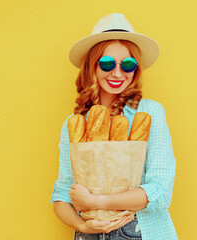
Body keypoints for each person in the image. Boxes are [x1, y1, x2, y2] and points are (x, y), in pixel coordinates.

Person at [51, 13, 178, 240]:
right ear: (92, 66)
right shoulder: (75, 123)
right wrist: (83, 226)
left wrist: (97, 202)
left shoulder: (148, 113)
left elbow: (159, 191)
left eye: (127, 65)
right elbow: (61, 196)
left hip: (139, 231)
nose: (118, 73)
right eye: (107, 63)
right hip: (89, 235)